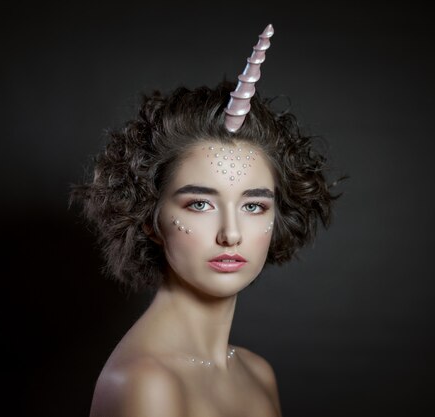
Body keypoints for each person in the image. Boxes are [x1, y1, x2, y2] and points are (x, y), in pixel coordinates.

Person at [72, 24, 339, 417]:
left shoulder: (257, 372)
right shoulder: (145, 384)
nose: (230, 233)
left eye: (253, 206)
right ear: (151, 218)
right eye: (199, 204)